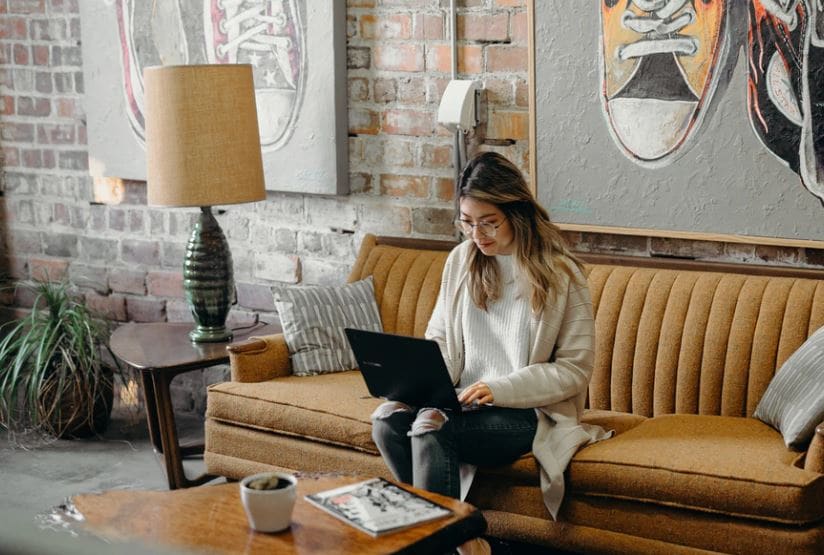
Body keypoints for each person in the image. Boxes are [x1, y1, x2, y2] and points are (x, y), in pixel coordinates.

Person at [370, 152, 611, 530]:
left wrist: (496, 389)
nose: (477, 236)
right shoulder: (461, 260)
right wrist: (419, 386)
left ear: (515, 214)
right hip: (462, 403)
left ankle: (441, 537)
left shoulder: (561, 274)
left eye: (489, 224)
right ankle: (452, 540)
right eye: (467, 223)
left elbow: (574, 370)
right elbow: (440, 338)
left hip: (529, 413)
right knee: (387, 420)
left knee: (432, 426)